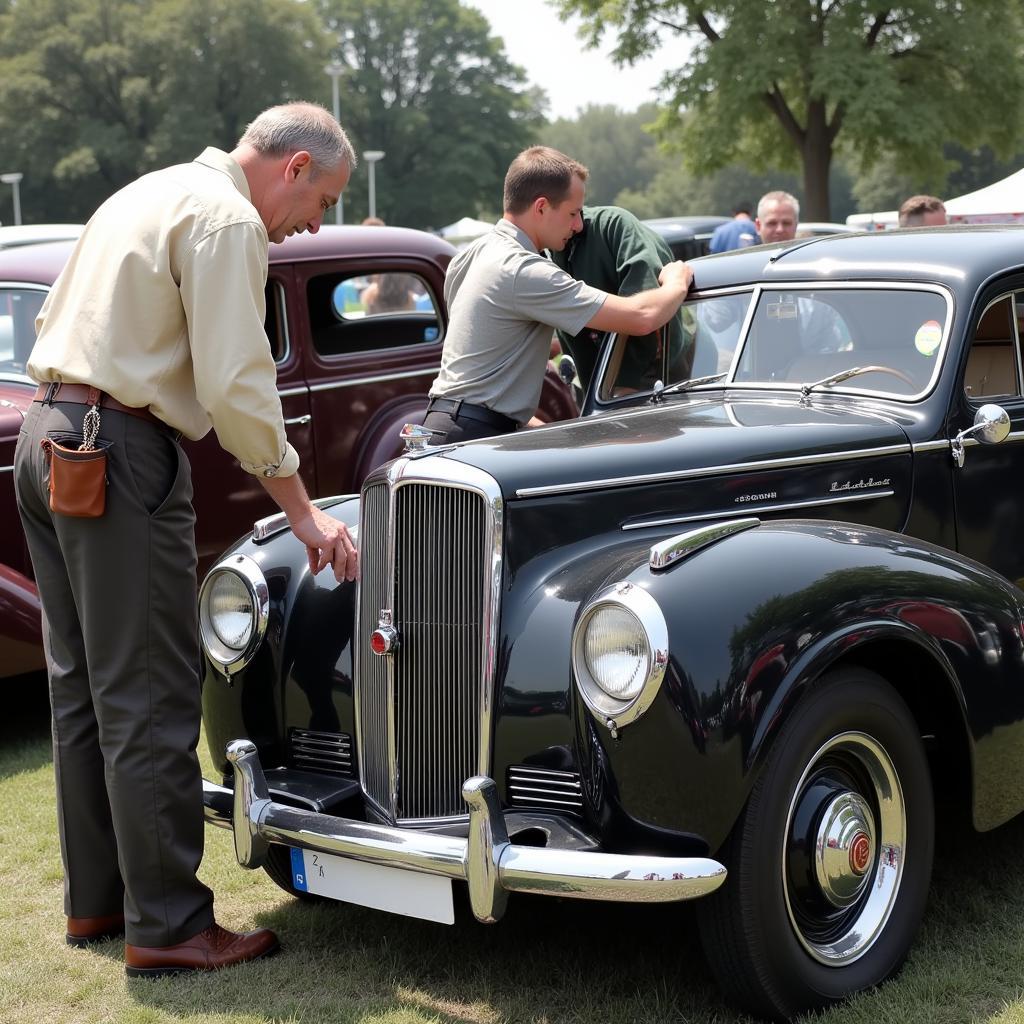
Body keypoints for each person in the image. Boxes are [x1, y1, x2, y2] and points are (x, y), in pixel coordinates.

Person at [14, 101, 359, 977]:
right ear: (293, 168)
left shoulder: (149, 190)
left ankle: (99, 902)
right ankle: (168, 925)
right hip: (118, 446)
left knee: (82, 690)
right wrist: (301, 507)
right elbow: (238, 381)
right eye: (323, 199)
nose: (315, 223)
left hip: (46, 433)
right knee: (150, 693)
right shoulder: (228, 218)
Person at [424, 146, 693, 443]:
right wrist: (676, 283)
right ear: (541, 207)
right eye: (573, 212)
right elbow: (642, 318)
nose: (578, 225)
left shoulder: (468, 257)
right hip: (479, 434)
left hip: (439, 427)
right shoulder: (523, 269)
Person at [550, 205, 689, 392]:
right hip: (598, 385)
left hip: (663, 373)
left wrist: (624, 384)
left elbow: (645, 317)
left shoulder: (614, 226)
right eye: (572, 213)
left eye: (578, 211)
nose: (579, 224)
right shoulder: (537, 255)